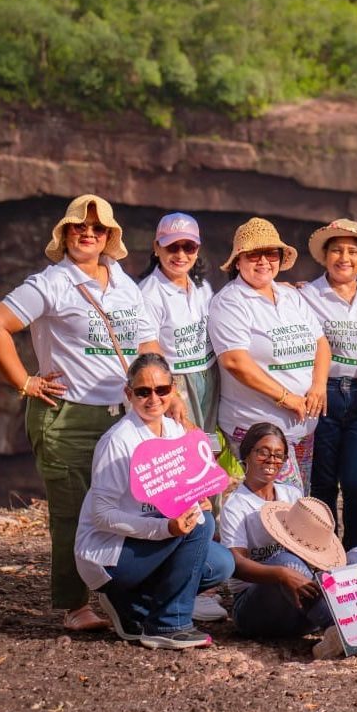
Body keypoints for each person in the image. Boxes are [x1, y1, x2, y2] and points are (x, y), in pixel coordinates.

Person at [0, 194, 159, 632]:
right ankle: (75, 605)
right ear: (65, 234)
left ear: (110, 237)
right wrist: (25, 381)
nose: (88, 234)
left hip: (122, 414)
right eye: (80, 227)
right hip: (67, 416)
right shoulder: (50, 283)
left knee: (130, 503)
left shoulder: (125, 284)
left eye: (98, 229)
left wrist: (158, 395)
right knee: (73, 510)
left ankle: (126, 593)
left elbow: (147, 344)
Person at [74, 354, 235, 649]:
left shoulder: (174, 432)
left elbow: (183, 491)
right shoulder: (118, 442)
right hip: (110, 555)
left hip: (151, 545)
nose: (153, 398)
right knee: (199, 526)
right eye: (143, 392)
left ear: (173, 389)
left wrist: (199, 499)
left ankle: (134, 607)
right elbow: (101, 514)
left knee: (220, 563)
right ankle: (168, 625)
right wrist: (166, 529)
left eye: (161, 390)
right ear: (128, 393)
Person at [138, 211, 226, 622]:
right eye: (171, 246)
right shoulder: (149, 293)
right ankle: (192, 584)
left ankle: (208, 568)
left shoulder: (203, 288)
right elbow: (150, 349)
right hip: (177, 386)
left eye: (188, 246)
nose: (180, 253)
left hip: (207, 378)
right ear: (156, 248)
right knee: (182, 478)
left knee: (208, 471)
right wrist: (172, 397)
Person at [220, 422, 357, 650]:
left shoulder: (291, 494)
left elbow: (314, 551)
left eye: (278, 455)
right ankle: (350, 630)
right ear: (247, 455)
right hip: (259, 610)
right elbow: (237, 564)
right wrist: (281, 574)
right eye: (263, 452)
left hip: (304, 609)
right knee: (286, 561)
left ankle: (343, 629)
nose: (271, 460)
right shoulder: (237, 505)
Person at [207, 218, 331, 492]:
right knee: (281, 504)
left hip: (301, 425)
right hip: (256, 425)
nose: (263, 261)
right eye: (253, 254)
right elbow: (235, 362)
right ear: (238, 260)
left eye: (271, 253)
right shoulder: (230, 301)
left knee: (297, 498)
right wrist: (286, 398)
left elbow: (321, 342)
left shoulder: (290, 296)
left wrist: (319, 384)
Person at [300, 219, 357, 550]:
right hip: (324, 392)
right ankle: (323, 551)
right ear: (324, 256)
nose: (344, 258)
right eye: (336, 250)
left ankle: (354, 551)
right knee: (322, 480)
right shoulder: (307, 295)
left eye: (352, 251)